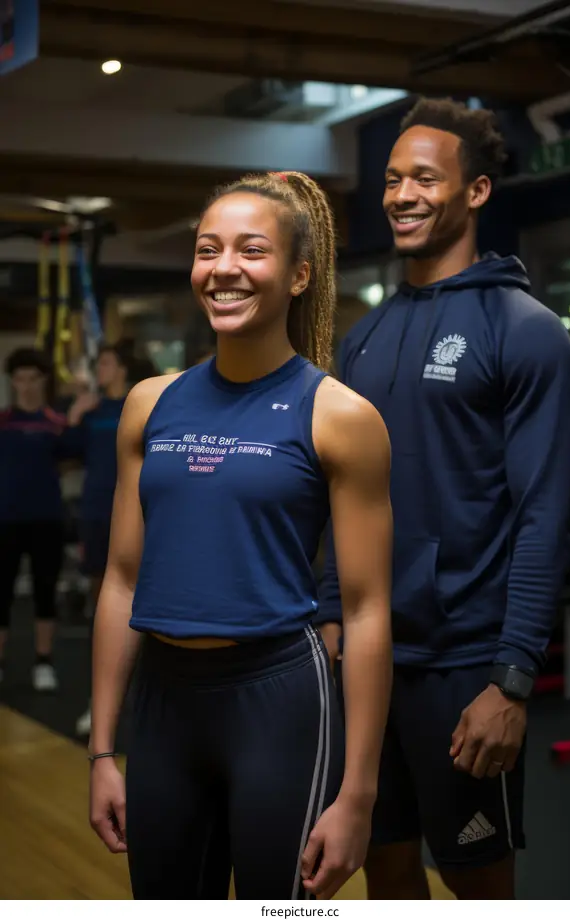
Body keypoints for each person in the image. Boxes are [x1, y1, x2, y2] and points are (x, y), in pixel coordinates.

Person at [87, 171, 393, 900]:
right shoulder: (149, 404)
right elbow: (122, 580)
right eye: (208, 249)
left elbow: (366, 610)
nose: (224, 268)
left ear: (299, 275)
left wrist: (358, 793)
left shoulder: (340, 416)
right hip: (163, 705)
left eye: (252, 250)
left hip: (277, 701)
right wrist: (100, 750)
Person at [315, 97, 570, 900]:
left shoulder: (525, 330)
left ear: (476, 192)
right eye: (393, 179)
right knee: (386, 869)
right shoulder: (361, 337)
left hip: (464, 665)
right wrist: (329, 609)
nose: (402, 195)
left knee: (479, 887)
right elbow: (338, 490)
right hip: (368, 658)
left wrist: (512, 679)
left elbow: (544, 513)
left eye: (425, 179)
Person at [67, 344, 130, 735]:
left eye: (106, 362)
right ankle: (100, 705)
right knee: (101, 606)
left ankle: (138, 700)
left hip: (134, 515)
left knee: (137, 605)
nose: (100, 369)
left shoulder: (139, 404)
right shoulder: (93, 409)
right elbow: (67, 452)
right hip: (95, 513)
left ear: (122, 368)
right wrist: (75, 414)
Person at [0, 348, 66, 691]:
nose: (26, 386)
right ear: (12, 382)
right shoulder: (3, 422)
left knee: (45, 591)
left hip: (46, 520)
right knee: (2, 593)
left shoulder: (57, 424)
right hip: (5, 520)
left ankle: (44, 661)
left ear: (43, 381)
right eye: (20, 379)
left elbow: (75, 456)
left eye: (32, 379)